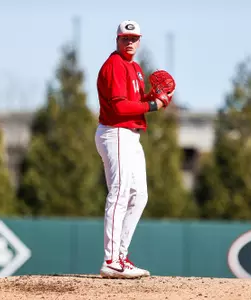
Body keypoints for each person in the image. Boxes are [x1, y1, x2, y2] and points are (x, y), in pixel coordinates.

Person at [94, 20, 174, 279]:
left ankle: (120, 256)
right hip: (115, 132)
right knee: (119, 193)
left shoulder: (135, 68)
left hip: (131, 135)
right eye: (124, 38)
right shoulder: (114, 65)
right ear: (117, 40)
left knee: (139, 195)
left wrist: (153, 99)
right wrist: (153, 106)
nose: (129, 42)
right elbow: (119, 108)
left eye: (134, 38)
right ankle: (111, 259)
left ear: (139, 41)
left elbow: (134, 103)